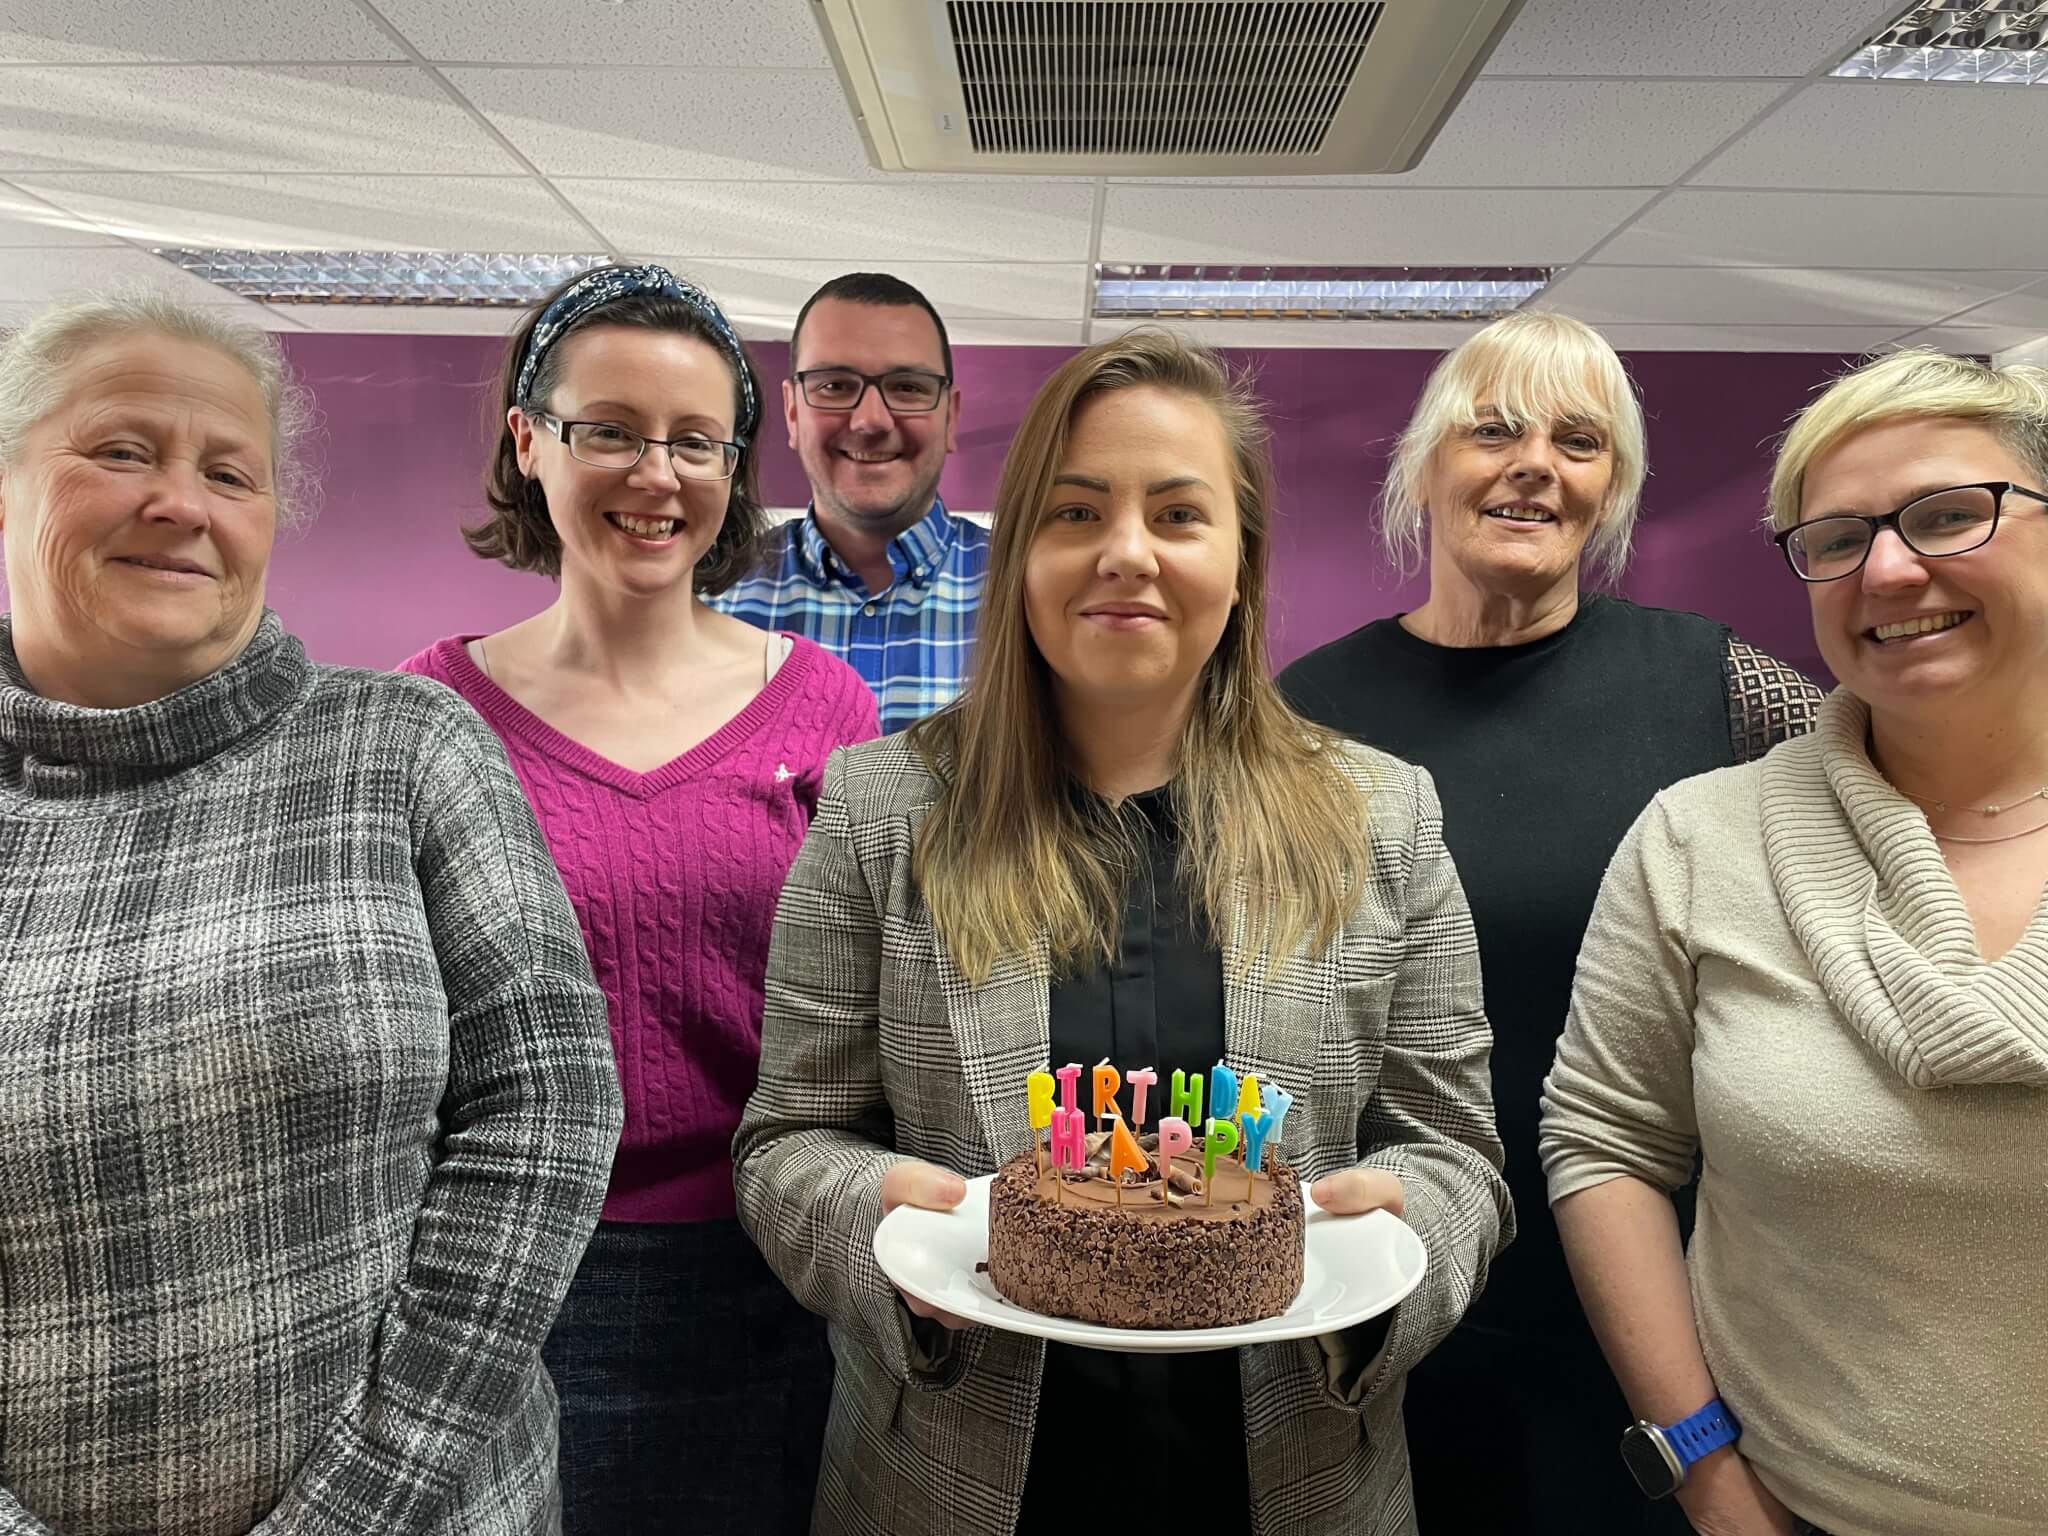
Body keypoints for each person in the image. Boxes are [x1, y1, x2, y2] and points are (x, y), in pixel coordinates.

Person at [734, 330, 1512, 1536]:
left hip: (1294, 1477)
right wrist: (881, 1229)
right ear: (1020, 557)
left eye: (1179, 514)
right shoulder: (880, 813)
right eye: (1075, 510)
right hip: (950, 1475)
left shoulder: (1382, 817)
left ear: (1242, 560)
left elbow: (1457, 1153)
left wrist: (1398, 1248)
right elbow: (788, 1143)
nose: (1126, 553)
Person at [0, 292, 622, 1535]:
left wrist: (354, 1509)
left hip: (434, 1506)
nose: (180, 503)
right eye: (122, 451)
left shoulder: (399, 745)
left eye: (230, 471)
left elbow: (549, 1106)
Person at [1276, 309, 1824, 1532]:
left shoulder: (1728, 692)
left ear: (1612, 489)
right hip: (1380, 1290)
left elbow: (1898, 834)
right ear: (1424, 467)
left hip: (1666, 1316)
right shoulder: (1302, 718)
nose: (1534, 462)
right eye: (1492, 429)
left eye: (1579, 440)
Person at [398, 265, 878, 1535]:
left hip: (776, 1268)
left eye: (693, 441)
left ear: (733, 466)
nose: (654, 476)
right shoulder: (423, 720)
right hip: (511, 1276)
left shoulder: (826, 706)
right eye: (607, 430)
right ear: (528, 442)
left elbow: (870, 1018)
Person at [1542, 348, 2048, 1536]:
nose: (1886, 567)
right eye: (1833, 538)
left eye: (1946, 515)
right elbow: (1602, 1138)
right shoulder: (1700, 839)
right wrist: (1705, 1473)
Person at [711, 272, 989, 731]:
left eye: (908, 387)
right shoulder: (711, 596)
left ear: (951, 416)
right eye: (835, 386)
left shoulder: (1032, 592)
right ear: (793, 412)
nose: (870, 420)